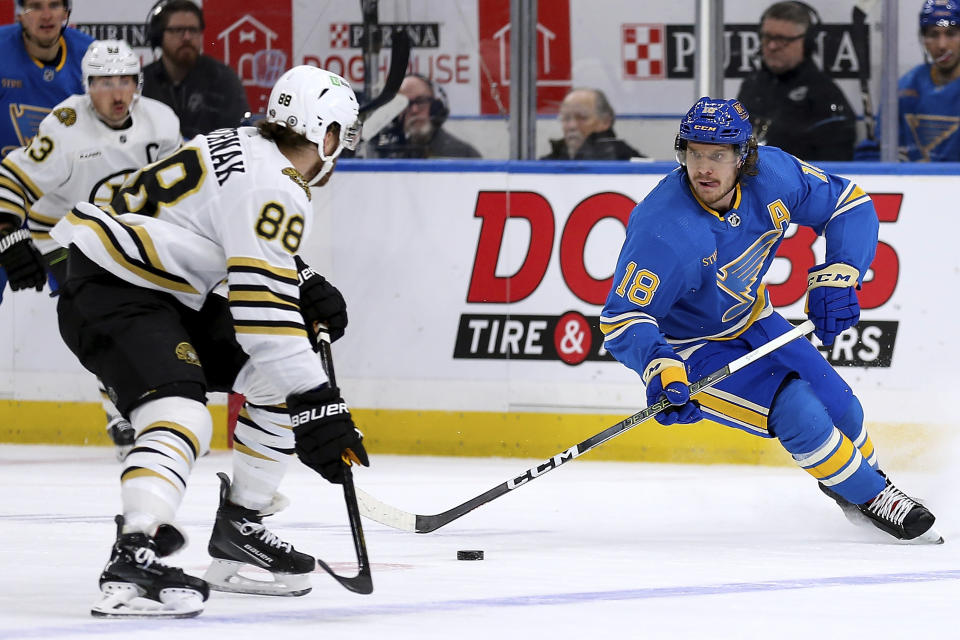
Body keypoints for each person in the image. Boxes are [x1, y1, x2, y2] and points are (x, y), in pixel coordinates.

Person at [50, 66, 367, 617]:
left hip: (154, 286)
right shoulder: (279, 188)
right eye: (343, 133)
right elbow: (263, 319)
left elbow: (212, 226)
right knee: (182, 413)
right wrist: (318, 404)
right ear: (325, 133)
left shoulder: (240, 140)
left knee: (272, 379)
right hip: (117, 290)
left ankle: (239, 531)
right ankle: (135, 552)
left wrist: (301, 276)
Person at [600, 96, 942, 546]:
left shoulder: (775, 174)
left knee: (842, 407)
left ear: (744, 156)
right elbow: (624, 317)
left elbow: (848, 202)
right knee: (798, 409)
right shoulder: (662, 229)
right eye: (695, 153)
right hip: (691, 348)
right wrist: (659, 365)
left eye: (718, 155)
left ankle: (859, 490)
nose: (704, 167)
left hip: (754, 318)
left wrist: (839, 275)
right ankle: (875, 497)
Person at [0, 39, 181, 458]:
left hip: (123, 236)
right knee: (100, 311)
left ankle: (136, 400)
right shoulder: (65, 126)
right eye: (103, 82)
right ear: (87, 87)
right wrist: (9, 231)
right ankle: (121, 404)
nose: (116, 93)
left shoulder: (163, 122)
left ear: (138, 83)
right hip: (62, 235)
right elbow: (11, 177)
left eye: (125, 80)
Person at [0, 0, 93, 302]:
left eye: (55, 5)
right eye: (36, 5)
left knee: (92, 301)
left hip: (61, 204)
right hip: (4, 195)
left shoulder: (89, 56)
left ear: (67, 12)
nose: (47, 14)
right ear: (19, 13)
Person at [737, 1, 856, 161]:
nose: (771, 46)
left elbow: (834, 171)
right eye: (767, 37)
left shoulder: (825, 94)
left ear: (806, 44)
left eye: (781, 39)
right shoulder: (751, 85)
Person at [857, 0, 960, 161]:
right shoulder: (905, 88)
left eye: (951, 33)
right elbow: (879, 152)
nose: (942, 45)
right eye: (933, 34)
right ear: (923, 39)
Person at [141, 0, 249, 140]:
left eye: (193, 30)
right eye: (178, 30)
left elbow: (238, 138)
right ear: (159, 36)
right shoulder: (142, 82)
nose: (187, 37)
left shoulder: (223, 79)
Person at [370, 74, 481, 158]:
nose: (414, 110)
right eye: (404, 104)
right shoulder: (377, 153)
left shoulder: (464, 155)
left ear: (436, 107)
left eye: (421, 101)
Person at [540, 88, 644, 160]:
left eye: (582, 118)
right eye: (566, 118)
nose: (572, 126)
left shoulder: (626, 161)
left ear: (605, 121)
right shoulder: (548, 163)